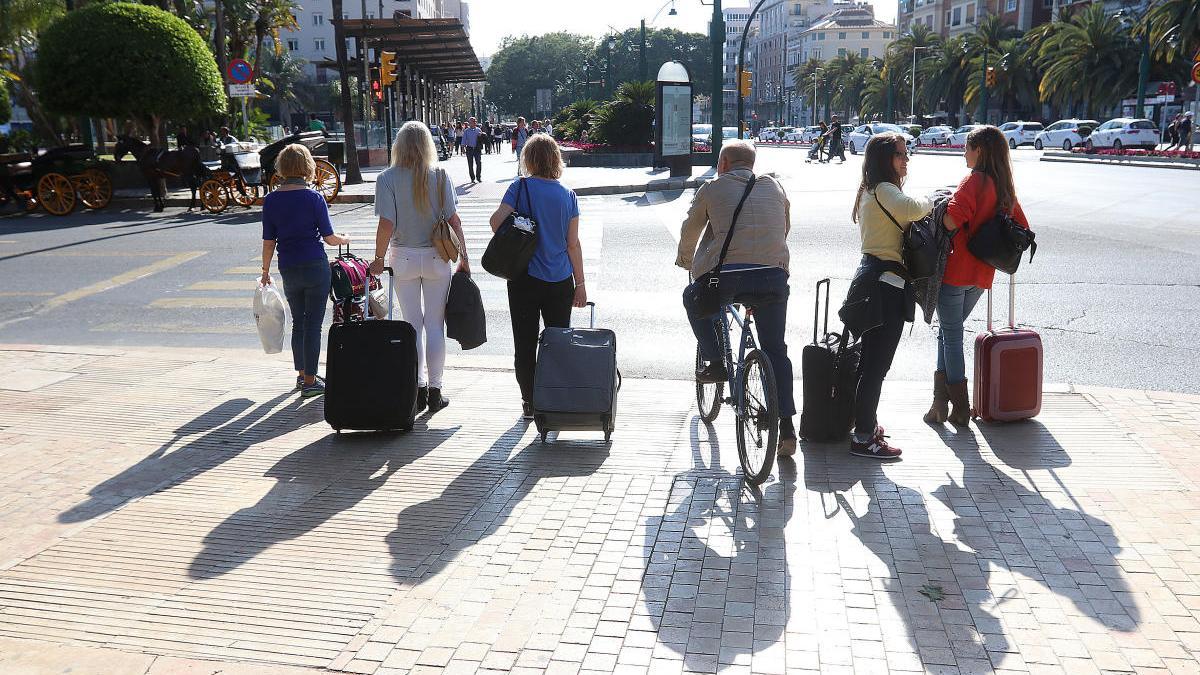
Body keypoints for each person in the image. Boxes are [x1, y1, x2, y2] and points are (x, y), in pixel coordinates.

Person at [676, 140, 797, 456]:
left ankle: (716, 361)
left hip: (727, 278)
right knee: (775, 350)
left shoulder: (712, 188)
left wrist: (687, 262)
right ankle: (787, 430)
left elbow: (690, 230)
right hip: (773, 275)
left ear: (724, 164)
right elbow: (784, 228)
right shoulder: (775, 187)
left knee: (694, 298)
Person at [924, 125, 1031, 427]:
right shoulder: (1004, 187)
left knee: (952, 337)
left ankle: (959, 407)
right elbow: (1021, 224)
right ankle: (938, 405)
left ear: (979, 151)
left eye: (967, 147)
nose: (964, 152)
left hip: (956, 272)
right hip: (983, 275)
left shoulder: (973, 182)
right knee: (947, 333)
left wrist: (940, 205)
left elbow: (950, 221)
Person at [368, 121, 470, 415]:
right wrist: (464, 257)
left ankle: (419, 389)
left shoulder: (387, 178)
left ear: (398, 147)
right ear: (428, 145)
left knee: (412, 325)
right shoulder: (440, 176)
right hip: (438, 256)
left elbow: (386, 223)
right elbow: (454, 221)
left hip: (403, 258)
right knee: (435, 324)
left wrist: (378, 257)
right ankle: (437, 391)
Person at [844, 133, 931, 459]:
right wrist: (933, 200)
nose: (906, 160)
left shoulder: (870, 189)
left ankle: (866, 424)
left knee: (869, 363)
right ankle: (864, 436)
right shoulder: (885, 190)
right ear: (885, 159)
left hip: (871, 281)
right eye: (900, 155)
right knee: (875, 366)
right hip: (886, 285)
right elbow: (914, 209)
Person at [488, 134, 587, 419]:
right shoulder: (568, 195)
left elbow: (496, 223)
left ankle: (530, 402)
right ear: (556, 159)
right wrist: (580, 285)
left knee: (525, 342)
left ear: (528, 160)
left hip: (524, 280)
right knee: (557, 342)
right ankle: (553, 398)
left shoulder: (519, 188)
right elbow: (573, 243)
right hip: (559, 282)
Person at [260, 144, 350, 398]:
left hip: (288, 267)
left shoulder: (271, 200)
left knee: (299, 323)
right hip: (314, 266)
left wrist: (265, 270)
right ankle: (310, 382)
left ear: (282, 167)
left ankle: (302, 375)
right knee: (313, 326)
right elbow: (330, 238)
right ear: (307, 167)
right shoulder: (313, 198)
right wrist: (345, 238)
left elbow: (269, 241)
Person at [461, 116, 483, 183]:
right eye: (471, 122)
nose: (473, 123)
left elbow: (482, 139)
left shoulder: (478, 130)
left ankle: (478, 177)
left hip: (477, 149)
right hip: (469, 148)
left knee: (479, 163)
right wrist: (463, 148)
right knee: (470, 164)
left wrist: (481, 136)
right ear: (469, 123)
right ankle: (472, 178)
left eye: (474, 121)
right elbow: (464, 140)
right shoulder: (466, 131)